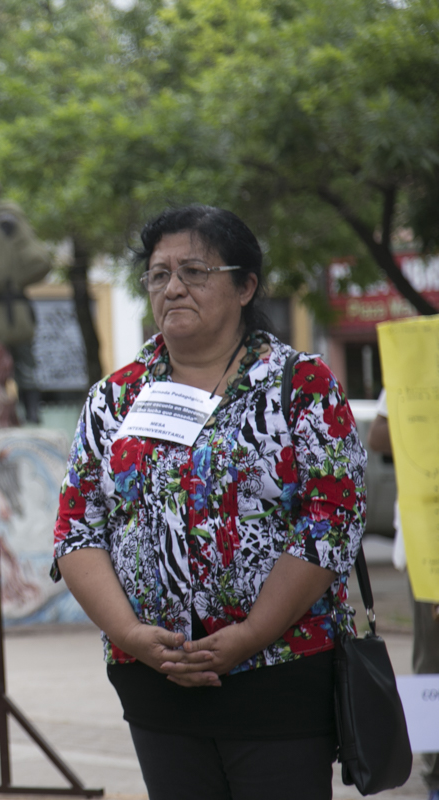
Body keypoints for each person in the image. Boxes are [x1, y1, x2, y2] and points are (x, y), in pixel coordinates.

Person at [52, 205, 366, 800]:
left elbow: (332, 521)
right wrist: (132, 635)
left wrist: (251, 633)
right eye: (158, 274)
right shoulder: (114, 398)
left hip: (279, 674)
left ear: (245, 286)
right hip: (155, 678)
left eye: (194, 271)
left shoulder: (300, 385)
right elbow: (76, 530)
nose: (172, 288)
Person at [370, 390, 439, 800]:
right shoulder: (419, 364)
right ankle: (435, 774)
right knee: (433, 656)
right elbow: (378, 434)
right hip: (430, 537)